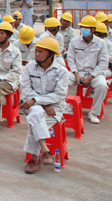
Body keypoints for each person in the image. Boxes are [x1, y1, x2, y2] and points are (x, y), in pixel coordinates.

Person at [21, 37, 68, 174]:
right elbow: (26, 89)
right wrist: (41, 103)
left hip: (53, 108)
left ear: (51, 54)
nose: (36, 54)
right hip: (34, 105)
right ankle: (45, 150)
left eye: (41, 52)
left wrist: (39, 102)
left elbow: (59, 95)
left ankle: (35, 158)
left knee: (34, 120)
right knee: (36, 112)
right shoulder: (30, 67)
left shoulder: (62, 72)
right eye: (36, 51)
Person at [67, 15, 109, 124]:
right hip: (77, 73)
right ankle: (66, 108)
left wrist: (91, 77)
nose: (83, 30)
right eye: (82, 27)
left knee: (102, 85)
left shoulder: (101, 43)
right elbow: (70, 59)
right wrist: (76, 75)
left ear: (93, 30)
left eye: (87, 28)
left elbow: (103, 63)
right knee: (61, 79)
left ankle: (94, 112)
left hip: (93, 74)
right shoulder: (74, 42)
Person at [0, 22, 23, 132]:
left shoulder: (15, 51)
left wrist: (0, 78)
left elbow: (16, 71)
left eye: (2, 33)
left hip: (10, 81)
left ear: (8, 35)